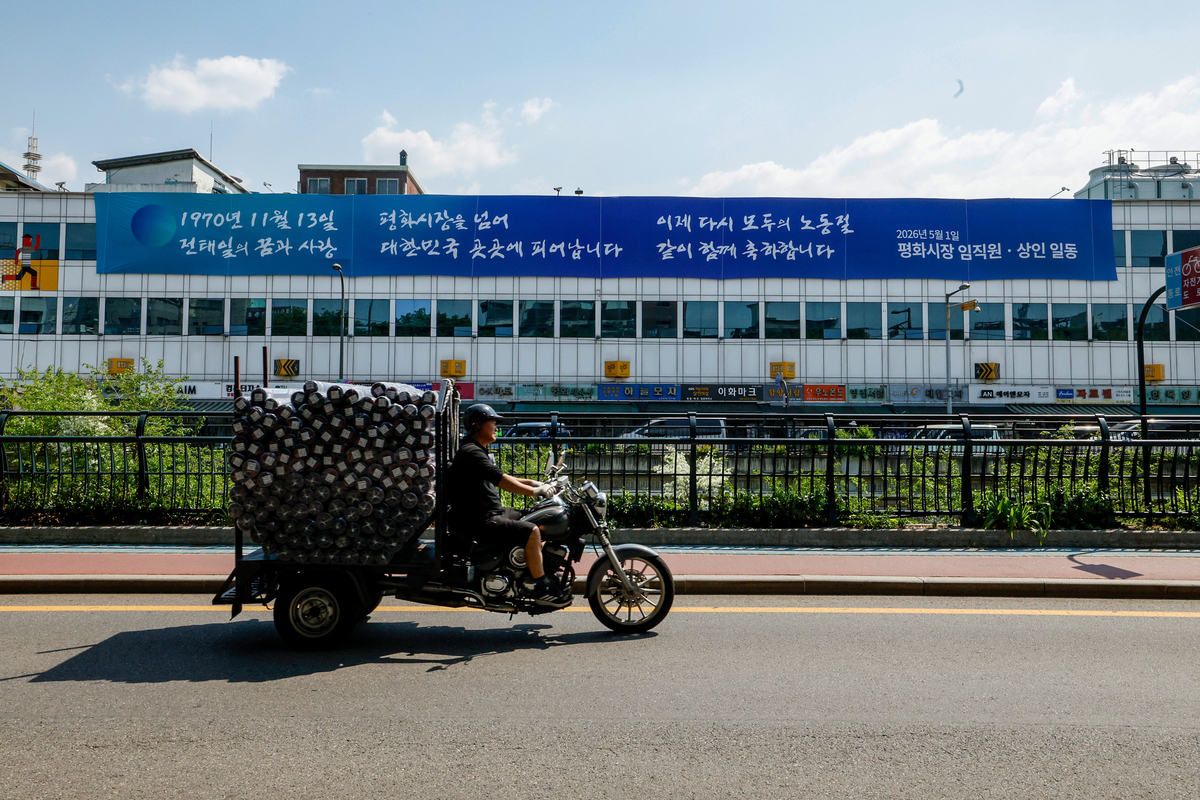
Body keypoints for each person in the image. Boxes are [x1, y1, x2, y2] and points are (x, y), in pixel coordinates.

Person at [447, 403, 571, 606]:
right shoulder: (471, 452)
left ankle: (529, 569)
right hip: (480, 521)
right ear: (478, 425)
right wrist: (535, 491)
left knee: (533, 517)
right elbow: (503, 482)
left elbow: (505, 476)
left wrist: (536, 483)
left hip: (488, 513)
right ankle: (540, 586)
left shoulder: (476, 450)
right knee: (531, 530)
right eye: (493, 422)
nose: (497, 427)